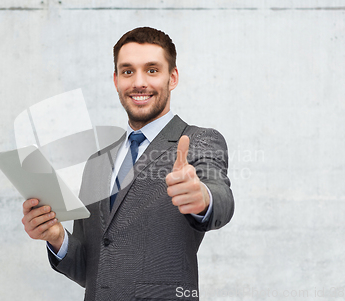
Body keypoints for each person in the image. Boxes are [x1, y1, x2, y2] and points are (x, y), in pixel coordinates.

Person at [21, 27, 234, 300]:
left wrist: (202, 197)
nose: (139, 82)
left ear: (173, 77)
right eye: (128, 71)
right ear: (116, 80)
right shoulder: (98, 162)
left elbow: (221, 196)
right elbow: (90, 267)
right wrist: (56, 236)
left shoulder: (198, 140)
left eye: (152, 70)